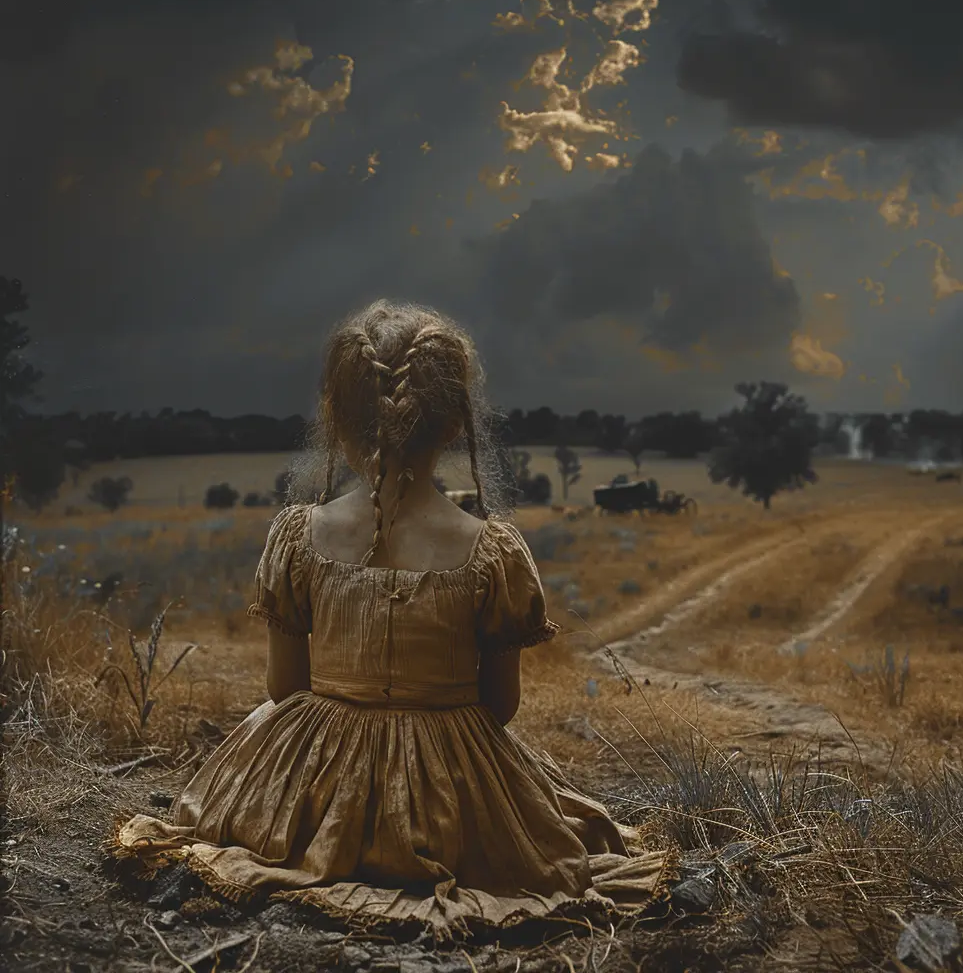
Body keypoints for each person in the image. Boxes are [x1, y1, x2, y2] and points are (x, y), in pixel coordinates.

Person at [112, 300, 678, 936]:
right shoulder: (489, 550)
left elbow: (283, 690)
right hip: (448, 789)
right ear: (450, 426)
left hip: (315, 785)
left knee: (242, 809)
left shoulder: (299, 537)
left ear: (337, 416)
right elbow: (499, 705)